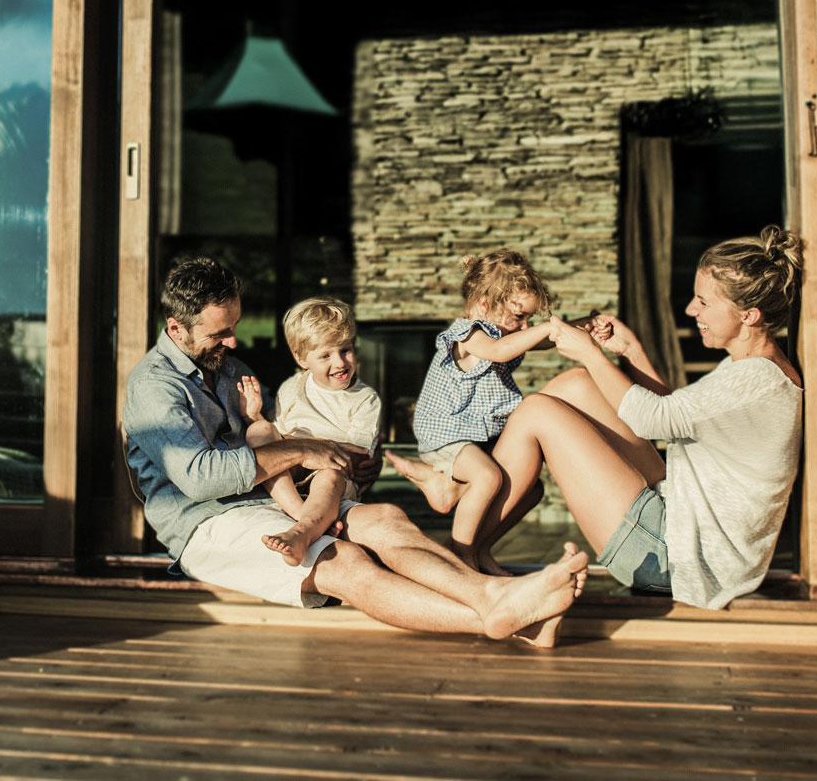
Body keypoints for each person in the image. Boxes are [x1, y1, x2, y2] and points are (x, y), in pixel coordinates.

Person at [123, 256, 588, 645]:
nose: (234, 341)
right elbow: (203, 478)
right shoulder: (153, 387)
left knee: (385, 518)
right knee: (342, 560)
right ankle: (503, 615)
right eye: (220, 333)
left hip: (269, 499)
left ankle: (501, 599)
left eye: (235, 327)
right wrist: (309, 449)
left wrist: (352, 464)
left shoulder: (224, 364)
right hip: (206, 521)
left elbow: (280, 426)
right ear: (176, 328)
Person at [480, 226, 805, 609]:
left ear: (748, 315)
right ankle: (476, 519)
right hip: (679, 520)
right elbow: (673, 420)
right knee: (576, 385)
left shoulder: (752, 380)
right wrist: (630, 351)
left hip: (674, 558)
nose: (690, 310)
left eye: (703, 302)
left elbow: (654, 420)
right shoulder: (754, 369)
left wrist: (590, 352)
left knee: (538, 410)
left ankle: (465, 537)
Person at [385, 249, 559, 576]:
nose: (524, 326)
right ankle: (460, 557)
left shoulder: (508, 332)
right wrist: (545, 328)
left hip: (476, 435)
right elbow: (498, 350)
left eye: (529, 319)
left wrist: (583, 327)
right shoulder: (469, 333)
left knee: (531, 489)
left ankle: (480, 549)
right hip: (447, 432)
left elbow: (544, 341)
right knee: (488, 477)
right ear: (483, 304)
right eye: (519, 315)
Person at [235, 296, 382, 566]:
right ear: (302, 358)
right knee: (258, 431)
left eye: (345, 350)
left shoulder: (365, 399)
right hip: (293, 472)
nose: (339, 363)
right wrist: (253, 415)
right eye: (325, 355)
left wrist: (304, 448)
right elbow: (277, 437)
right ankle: (302, 514)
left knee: (328, 476)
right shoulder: (292, 387)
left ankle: (301, 533)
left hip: (333, 474)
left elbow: (357, 454)